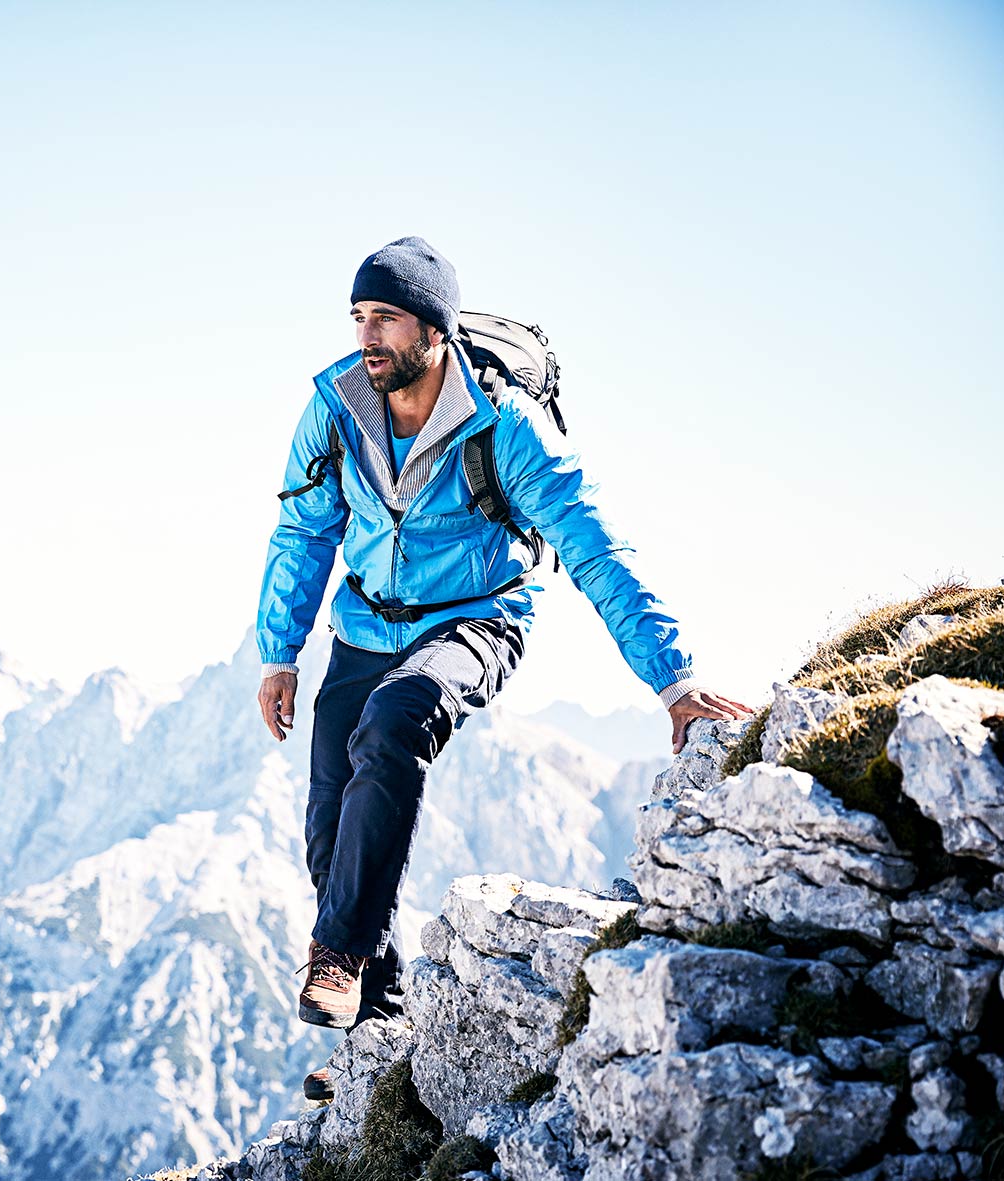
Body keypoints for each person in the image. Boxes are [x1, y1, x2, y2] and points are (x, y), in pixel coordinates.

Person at [254, 236, 750, 1098]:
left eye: (388, 318)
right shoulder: (336, 406)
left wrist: (672, 676)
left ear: (434, 330)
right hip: (364, 625)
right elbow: (303, 531)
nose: (368, 336)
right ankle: (378, 1028)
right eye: (359, 317)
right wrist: (279, 650)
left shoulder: (503, 426)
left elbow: (594, 547)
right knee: (330, 834)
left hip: (476, 619)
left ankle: (336, 954)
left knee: (397, 718)